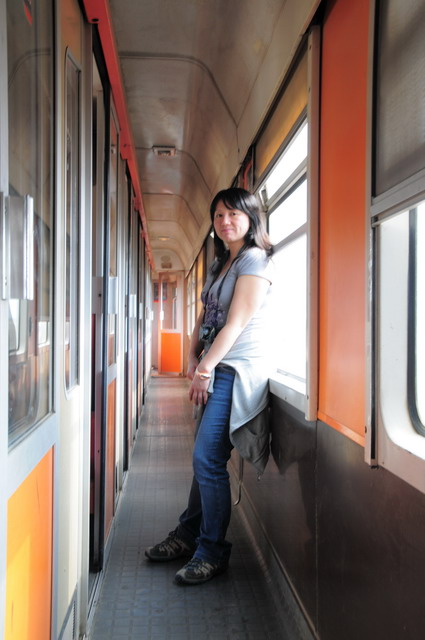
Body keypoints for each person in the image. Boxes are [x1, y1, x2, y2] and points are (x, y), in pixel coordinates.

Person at [145, 187, 274, 585]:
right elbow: (207, 316)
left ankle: (212, 551)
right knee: (204, 460)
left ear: (251, 218)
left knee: (207, 459)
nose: (225, 221)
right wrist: (192, 355)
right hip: (215, 364)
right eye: (218, 215)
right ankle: (189, 534)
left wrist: (205, 368)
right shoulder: (221, 263)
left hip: (235, 368)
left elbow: (235, 323)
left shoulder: (254, 260)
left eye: (233, 214)